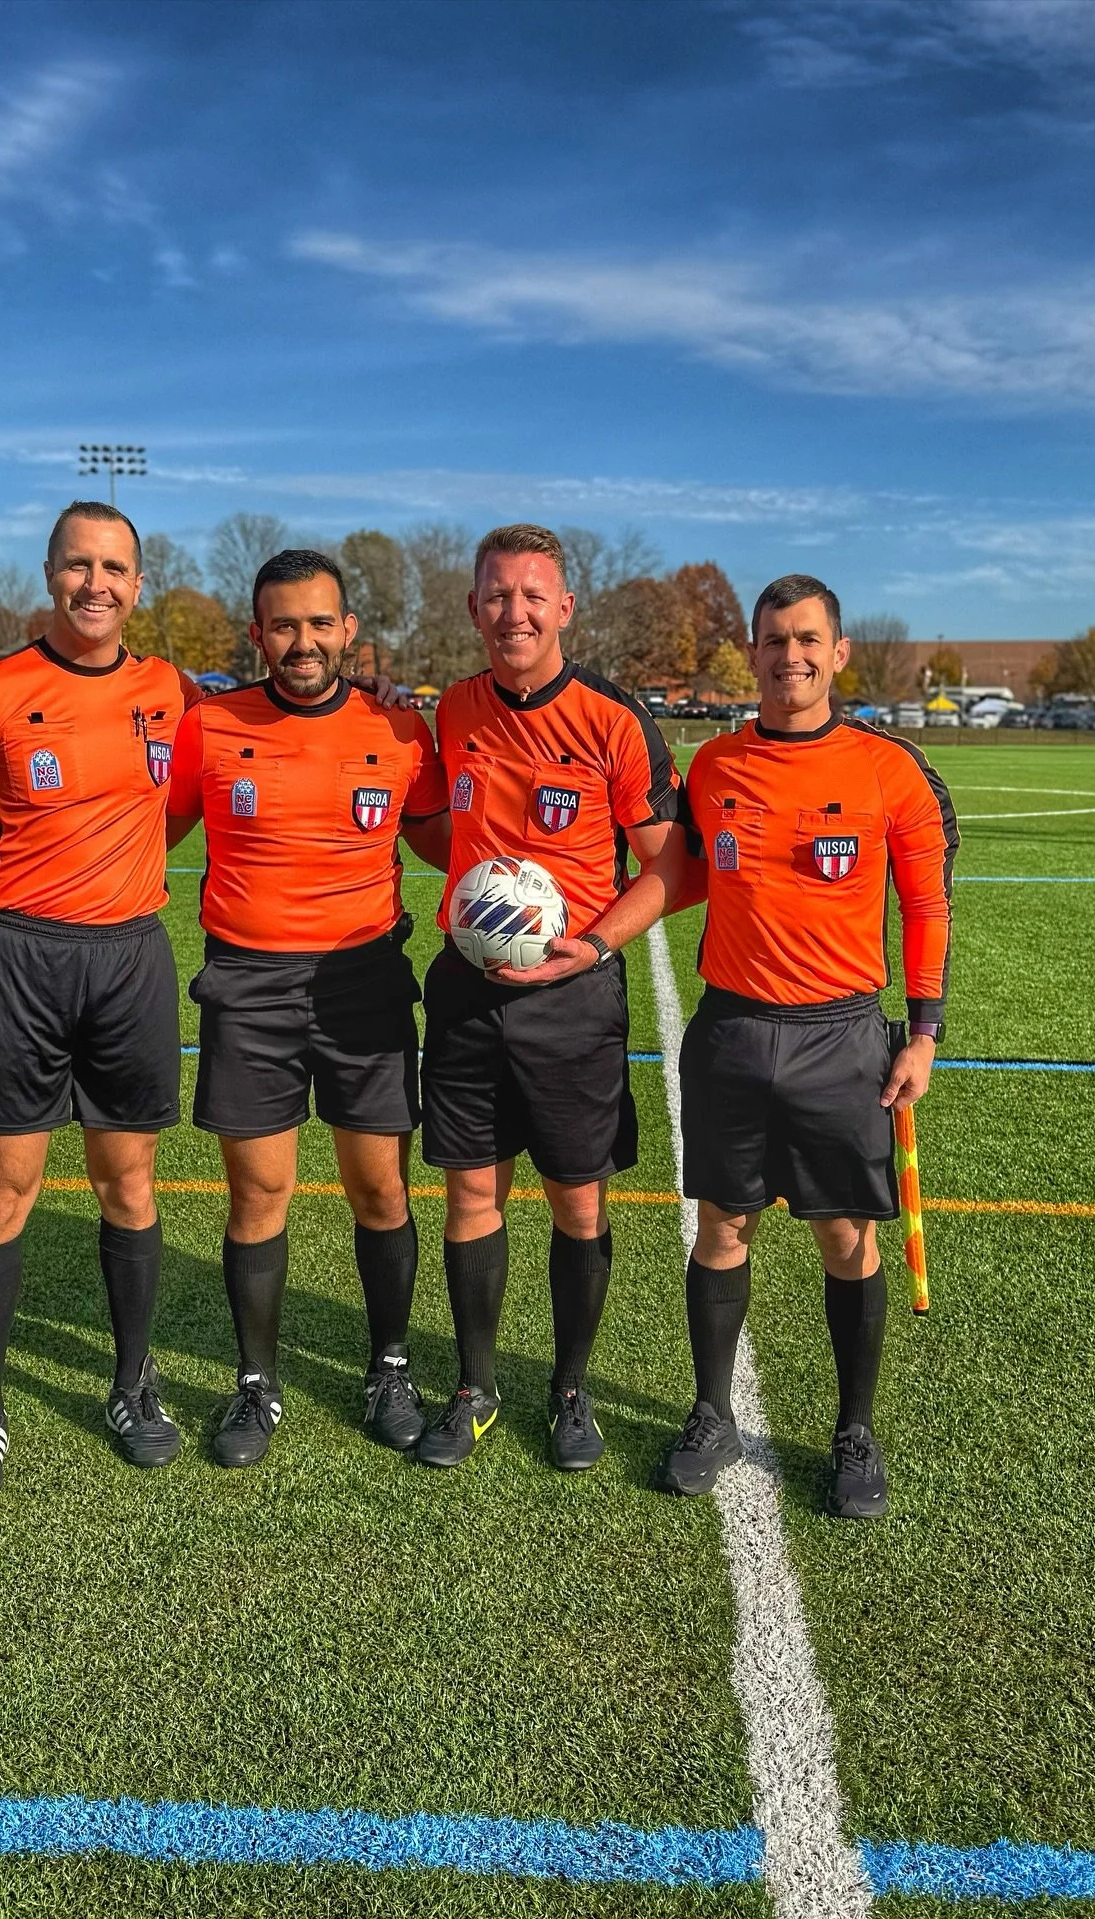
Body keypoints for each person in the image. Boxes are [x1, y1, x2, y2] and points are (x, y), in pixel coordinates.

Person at [0, 501, 199, 1504]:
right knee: (1, 1190)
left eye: (115, 566)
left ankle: (130, 1383)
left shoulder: (171, 690)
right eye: (79, 565)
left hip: (129, 962)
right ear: (49, 573)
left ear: (138, 583)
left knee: (130, 1184)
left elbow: (200, 791)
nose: (96, 584)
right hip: (18, 961)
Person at [654, 572, 958, 1519]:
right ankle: (711, 1411)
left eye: (807, 638)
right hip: (734, 1028)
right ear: (752, 653)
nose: (791, 655)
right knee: (722, 1226)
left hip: (841, 1034)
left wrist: (924, 1031)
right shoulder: (713, 766)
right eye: (774, 640)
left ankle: (853, 1429)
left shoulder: (887, 769)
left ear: (839, 651)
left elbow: (926, 904)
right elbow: (683, 875)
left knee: (843, 1235)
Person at [166, 549, 450, 1466]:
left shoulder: (401, 733)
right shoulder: (209, 727)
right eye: (283, 625)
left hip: (364, 983)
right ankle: (256, 1384)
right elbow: (144, 828)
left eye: (320, 624)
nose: (303, 641)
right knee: (260, 1193)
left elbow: (454, 839)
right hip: (248, 987)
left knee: (380, 1187)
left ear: (348, 633)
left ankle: (390, 1366)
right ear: (257, 635)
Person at [417, 524, 689, 1471]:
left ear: (565, 607)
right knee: (471, 1194)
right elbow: (424, 824)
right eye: (497, 594)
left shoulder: (613, 718)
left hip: (573, 999)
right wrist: (473, 900)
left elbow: (676, 866)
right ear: (473, 608)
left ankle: (571, 1389)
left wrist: (595, 944)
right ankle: (474, 1384)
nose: (514, 612)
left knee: (578, 1203)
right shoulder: (451, 710)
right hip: (466, 992)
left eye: (533, 595)